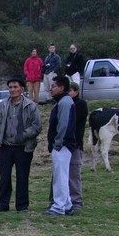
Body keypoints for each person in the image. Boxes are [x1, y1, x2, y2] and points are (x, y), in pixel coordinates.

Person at [0, 75, 42, 213]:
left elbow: (37, 126)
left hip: (24, 147)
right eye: (10, 87)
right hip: (5, 147)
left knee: (22, 177)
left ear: (22, 89)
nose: (12, 90)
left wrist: (23, 135)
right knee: (4, 177)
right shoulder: (1, 105)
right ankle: (3, 205)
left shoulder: (30, 106)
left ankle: (22, 206)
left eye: (15, 87)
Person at [45, 75, 77, 216]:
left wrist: (57, 143)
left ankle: (58, 207)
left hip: (62, 145)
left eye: (53, 86)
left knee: (60, 177)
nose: (51, 89)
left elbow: (63, 125)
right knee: (62, 175)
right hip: (63, 144)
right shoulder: (64, 101)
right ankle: (67, 205)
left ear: (61, 87)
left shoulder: (64, 102)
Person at [68, 82, 88, 210]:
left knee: (74, 173)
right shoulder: (61, 104)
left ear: (76, 92)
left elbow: (73, 122)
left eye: (70, 91)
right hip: (63, 145)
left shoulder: (80, 104)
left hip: (75, 144)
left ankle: (76, 201)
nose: (68, 93)